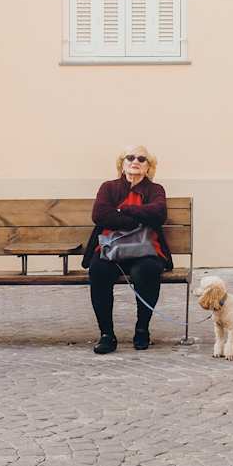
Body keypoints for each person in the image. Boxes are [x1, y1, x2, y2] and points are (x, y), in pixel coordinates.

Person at [82, 145, 173, 354]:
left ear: (149, 167)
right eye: (130, 157)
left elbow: (159, 213)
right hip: (111, 249)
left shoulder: (155, 190)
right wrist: (136, 221)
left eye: (142, 159)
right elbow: (100, 215)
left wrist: (125, 209)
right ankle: (107, 334)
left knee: (148, 270)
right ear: (121, 163)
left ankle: (142, 329)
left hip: (146, 249)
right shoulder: (109, 187)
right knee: (99, 270)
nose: (135, 162)